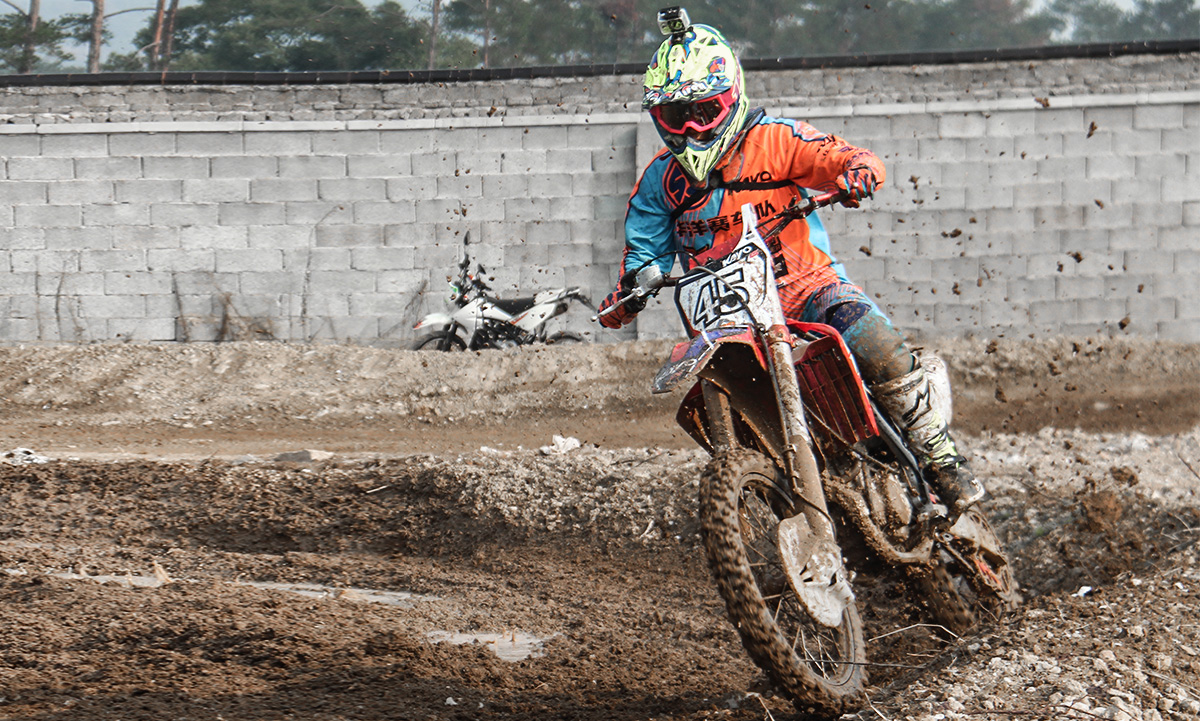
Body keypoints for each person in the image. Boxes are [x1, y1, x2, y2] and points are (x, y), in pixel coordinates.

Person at [595, 8, 984, 515]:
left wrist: (857, 171)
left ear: (731, 97)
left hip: (808, 288)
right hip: (728, 318)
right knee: (720, 400)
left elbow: (843, 156)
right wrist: (632, 287)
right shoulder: (660, 183)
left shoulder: (778, 140)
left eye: (704, 110)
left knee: (872, 340)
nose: (690, 127)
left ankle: (943, 462)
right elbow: (643, 250)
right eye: (675, 115)